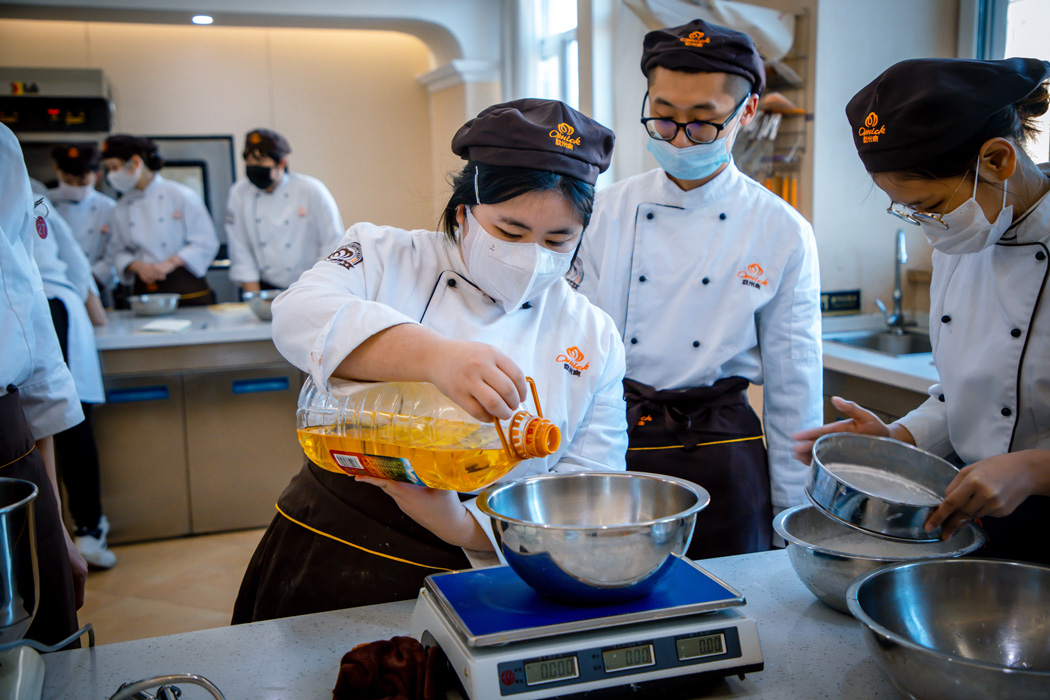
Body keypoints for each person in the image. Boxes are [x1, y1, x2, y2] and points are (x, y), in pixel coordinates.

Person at [233, 99, 627, 623]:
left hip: (487, 567)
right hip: (335, 538)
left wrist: (459, 526)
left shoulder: (593, 334)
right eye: (510, 233)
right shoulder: (384, 254)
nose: (532, 257)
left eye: (558, 240)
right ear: (463, 212)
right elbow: (297, 314)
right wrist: (434, 356)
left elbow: (586, 488)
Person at [574, 20, 822, 559]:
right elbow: (569, 351)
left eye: (703, 122)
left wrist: (795, 521)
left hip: (723, 449)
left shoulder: (781, 230)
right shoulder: (602, 212)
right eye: (663, 117)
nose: (680, 138)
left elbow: (794, 388)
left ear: (747, 112)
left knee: (735, 593)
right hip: (612, 437)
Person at [794, 57, 1050, 566]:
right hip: (982, 520)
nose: (927, 225)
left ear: (998, 159)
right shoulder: (963, 242)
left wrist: (1033, 469)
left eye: (929, 205)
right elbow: (966, 394)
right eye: (909, 210)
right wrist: (897, 439)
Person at [0, 122, 87, 647]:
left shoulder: (0, 146)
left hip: (7, 443)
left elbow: (24, 297)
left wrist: (55, 526)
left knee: (36, 644)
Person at [29, 191, 116, 569]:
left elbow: (77, 266)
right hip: (43, 308)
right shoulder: (35, 197)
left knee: (63, 424)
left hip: (49, 308)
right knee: (55, 425)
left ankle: (78, 532)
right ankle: (69, 534)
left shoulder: (32, 197)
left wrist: (99, 317)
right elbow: (78, 265)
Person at [102, 135, 219, 306]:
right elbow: (117, 251)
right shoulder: (121, 207)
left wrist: (170, 263)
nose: (112, 175)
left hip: (186, 287)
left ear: (135, 162)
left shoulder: (181, 195)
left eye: (114, 167)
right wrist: (138, 266)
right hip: (145, 290)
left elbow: (206, 242)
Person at [225, 129, 344, 293]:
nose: (254, 167)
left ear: (281, 163)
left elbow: (332, 244)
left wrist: (318, 290)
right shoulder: (239, 192)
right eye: (249, 161)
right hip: (265, 288)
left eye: (260, 161)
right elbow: (240, 247)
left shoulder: (311, 190)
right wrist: (255, 298)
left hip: (312, 287)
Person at [47, 142, 118, 306]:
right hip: (55, 284)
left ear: (97, 176)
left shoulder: (109, 208)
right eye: (67, 179)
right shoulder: (43, 203)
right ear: (57, 171)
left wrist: (88, 277)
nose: (74, 186)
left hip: (96, 284)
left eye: (81, 181)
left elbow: (115, 250)